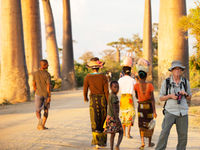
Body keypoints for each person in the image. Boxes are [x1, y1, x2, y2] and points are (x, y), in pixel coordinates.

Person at [155, 60, 192, 150]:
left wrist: (185, 94)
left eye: (179, 69)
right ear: (171, 71)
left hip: (183, 112)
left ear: (181, 71)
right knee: (164, 133)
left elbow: (189, 97)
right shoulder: (166, 82)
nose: (177, 71)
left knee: (183, 137)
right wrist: (170, 96)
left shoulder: (186, 82)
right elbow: (160, 98)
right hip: (170, 111)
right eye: (175, 69)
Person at [83, 57, 109, 149]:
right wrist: (108, 101)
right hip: (102, 100)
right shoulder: (103, 77)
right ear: (99, 67)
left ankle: (96, 142)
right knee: (103, 119)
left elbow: (85, 89)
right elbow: (106, 91)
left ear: (90, 67)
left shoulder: (87, 77)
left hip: (93, 100)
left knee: (94, 119)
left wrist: (85, 97)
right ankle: (103, 142)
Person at [134, 70, 157, 149]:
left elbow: (137, 96)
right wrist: (154, 111)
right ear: (146, 77)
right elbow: (153, 99)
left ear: (139, 77)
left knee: (141, 124)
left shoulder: (136, 86)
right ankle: (150, 143)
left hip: (141, 107)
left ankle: (143, 142)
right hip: (149, 107)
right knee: (150, 124)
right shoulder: (150, 85)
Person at [104, 81, 123, 150]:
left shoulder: (110, 95)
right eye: (115, 87)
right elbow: (115, 109)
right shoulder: (114, 97)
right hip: (114, 117)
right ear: (111, 88)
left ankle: (111, 148)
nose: (116, 89)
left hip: (109, 117)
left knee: (113, 134)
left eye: (117, 87)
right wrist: (117, 120)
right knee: (121, 132)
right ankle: (117, 145)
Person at [118, 66, 136, 138]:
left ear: (123, 71)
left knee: (123, 114)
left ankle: (124, 132)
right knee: (130, 115)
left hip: (123, 98)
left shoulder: (120, 80)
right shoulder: (132, 80)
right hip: (129, 98)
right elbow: (135, 89)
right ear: (130, 72)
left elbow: (118, 89)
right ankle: (128, 133)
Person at [33, 59, 51, 130]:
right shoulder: (47, 74)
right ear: (44, 65)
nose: (48, 65)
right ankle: (42, 125)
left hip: (38, 94)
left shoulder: (35, 73)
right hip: (45, 95)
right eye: (47, 64)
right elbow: (48, 86)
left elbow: (34, 84)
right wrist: (49, 96)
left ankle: (39, 119)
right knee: (46, 110)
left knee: (38, 110)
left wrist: (36, 91)